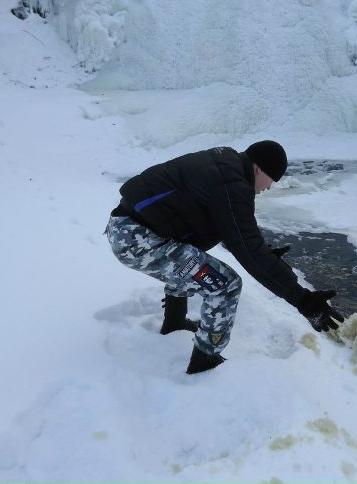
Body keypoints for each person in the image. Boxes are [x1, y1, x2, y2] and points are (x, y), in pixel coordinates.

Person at [105, 140, 344, 374]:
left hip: (131, 229)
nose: (269, 187)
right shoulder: (233, 184)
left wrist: (264, 255)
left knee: (191, 261)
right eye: (272, 179)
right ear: (259, 167)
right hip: (138, 240)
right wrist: (304, 301)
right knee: (225, 285)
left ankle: (175, 322)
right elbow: (248, 249)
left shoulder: (226, 165)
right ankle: (205, 362)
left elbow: (233, 231)